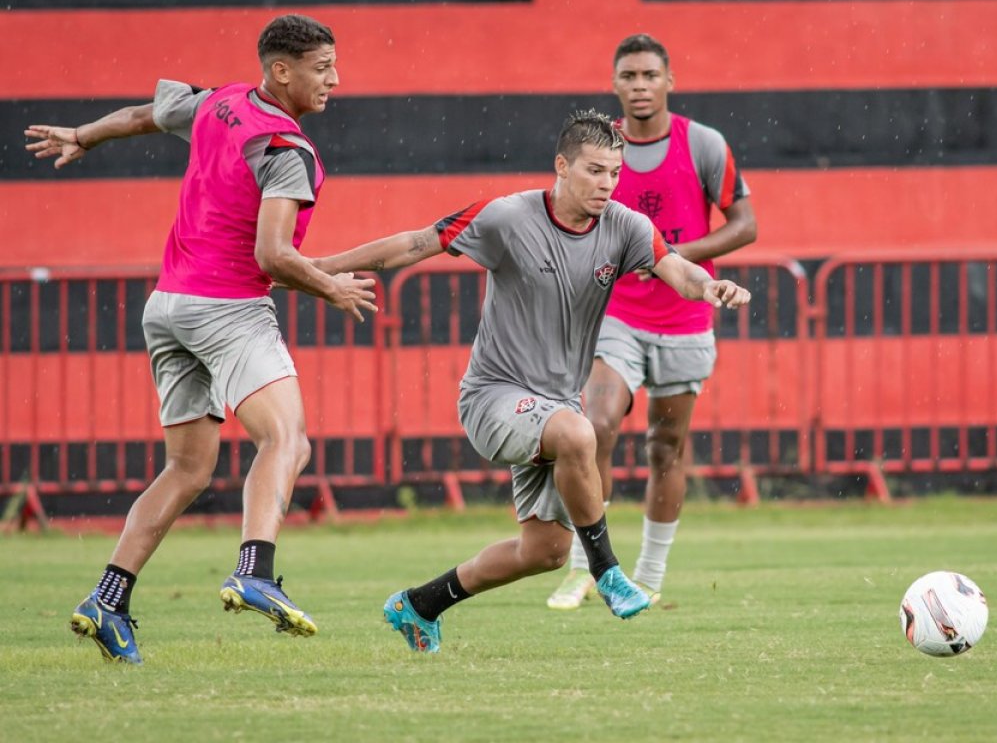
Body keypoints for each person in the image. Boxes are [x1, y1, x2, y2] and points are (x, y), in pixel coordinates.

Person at [310, 109, 751, 653]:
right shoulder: (507, 217)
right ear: (561, 166)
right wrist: (321, 268)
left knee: (544, 552)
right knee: (580, 432)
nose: (607, 184)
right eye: (594, 170)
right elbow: (416, 244)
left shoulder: (625, 226)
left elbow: (677, 269)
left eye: (615, 173)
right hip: (493, 398)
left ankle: (420, 604)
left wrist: (708, 288)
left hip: (554, 405)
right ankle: (608, 571)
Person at [24, 14, 377, 665]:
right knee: (287, 440)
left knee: (187, 469)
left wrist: (83, 135)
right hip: (227, 307)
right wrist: (332, 288)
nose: (335, 79)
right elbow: (272, 256)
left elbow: (143, 116)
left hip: (167, 306)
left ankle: (106, 600)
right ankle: (254, 570)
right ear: (282, 71)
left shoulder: (221, 102)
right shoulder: (287, 150)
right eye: (323, 67)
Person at [546, 34, 758, 611]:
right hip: (616, 315)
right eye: (629, 76)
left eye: (650, 75)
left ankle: (649, 574)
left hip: (686, 318)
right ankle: (584, 567)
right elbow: (570, 217)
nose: (640, 86)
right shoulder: (600, 149)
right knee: (596, 426)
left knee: (666, 448)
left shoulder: (704, 144)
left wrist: (669, 256)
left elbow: (745, 225)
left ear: (669, 81)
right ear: (614, 83)